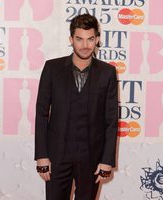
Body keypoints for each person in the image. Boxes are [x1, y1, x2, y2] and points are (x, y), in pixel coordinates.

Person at [34, 13, 118, 200]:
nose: (85, 45)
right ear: (71, 39)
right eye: (79, 39)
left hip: (91, 156)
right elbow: (41, 114)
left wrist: (107, 160)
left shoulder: (107, 73)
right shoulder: (52, 69)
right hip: (57, 155)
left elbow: (111, 121)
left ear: (97, 39)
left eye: (90, 39)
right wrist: (42, 155)